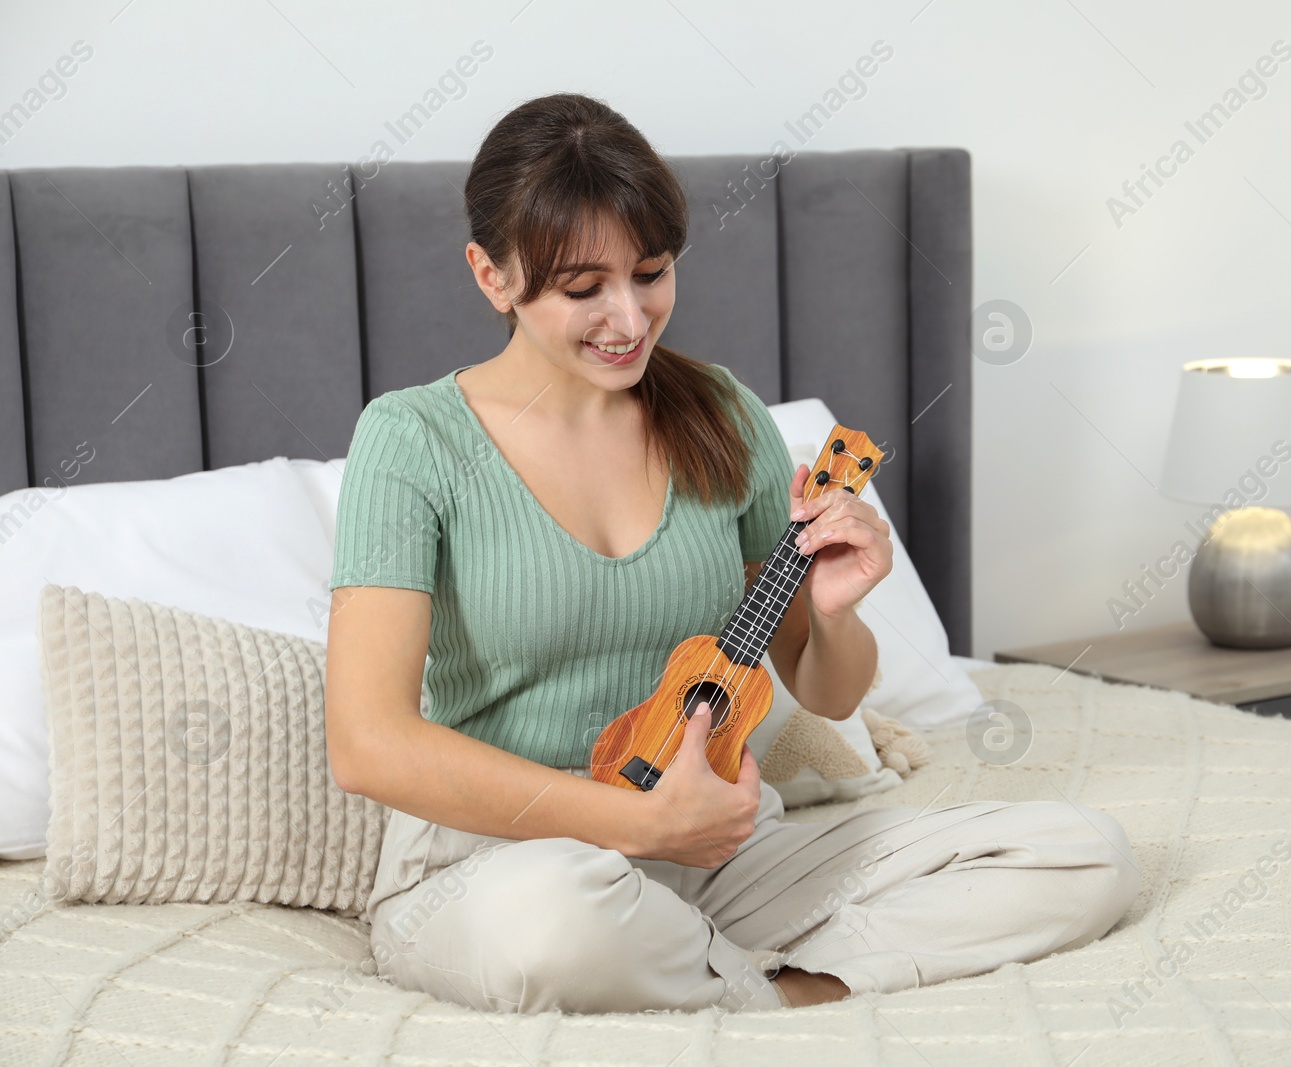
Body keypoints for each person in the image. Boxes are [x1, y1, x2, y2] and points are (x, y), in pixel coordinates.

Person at [323, 91, 1140, 1016]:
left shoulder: (718, 412)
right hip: (505, 865)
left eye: (652, 272)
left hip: (716, 860)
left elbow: (826, 691)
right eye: (583, 289)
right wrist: (635, 823)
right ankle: (755, 980)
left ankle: (743, 982)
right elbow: (368, 744)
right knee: (550, 924)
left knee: (1084, 852)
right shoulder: (412, 439)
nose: (628, 320)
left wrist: (835, 612)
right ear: (492, 276)